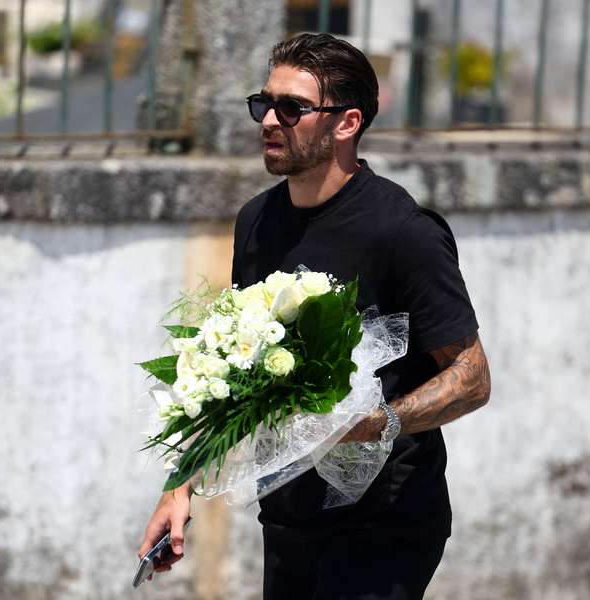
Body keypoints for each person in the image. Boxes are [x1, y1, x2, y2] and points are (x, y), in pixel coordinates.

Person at [139, 32, 491, 600]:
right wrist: (178, 488)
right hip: (288, 518)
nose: (269, 120)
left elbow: (472, 377)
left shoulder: (403, 231)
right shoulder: (256, 221)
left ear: (347, 123)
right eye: (264, 103)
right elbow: (235, 374)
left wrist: (376, 423)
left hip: (385, 524)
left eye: (292, 108)